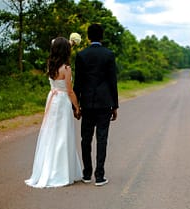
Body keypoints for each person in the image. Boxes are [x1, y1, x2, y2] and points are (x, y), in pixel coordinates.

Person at [25, 37, 82, 188]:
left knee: (51, 134)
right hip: (62, 101)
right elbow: (69, 91)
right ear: (66, 51)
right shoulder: (66, 69)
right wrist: (77, 106)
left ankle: (47, 169)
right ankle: (60, 172)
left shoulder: (50, 64)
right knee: (63, 135)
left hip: (52, 99)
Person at [74, 23, 119, 186]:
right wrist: (115, 106)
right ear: (101, 36)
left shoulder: (81, 55)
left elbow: (77, 82)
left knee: (85, 139)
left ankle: (86, 174)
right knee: (102, 139)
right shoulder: (109, 54)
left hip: (86, 103)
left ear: (88, 36)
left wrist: (76, 106)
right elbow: (113, 81)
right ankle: (99, 176)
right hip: (104, 103)